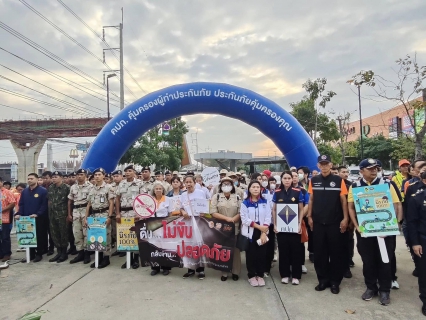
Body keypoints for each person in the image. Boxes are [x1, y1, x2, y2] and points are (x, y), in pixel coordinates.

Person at [347, 158, 401, 306]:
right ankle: (371, 288)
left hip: (385, 232)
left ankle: (385, 290)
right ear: (361, 171)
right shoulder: (355, 186)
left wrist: (394, 225)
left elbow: (396, 205)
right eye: (370, 168)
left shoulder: (387, 184)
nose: (374, 170)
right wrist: (357, 227)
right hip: (365, 231)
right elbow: (351, 207)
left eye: (376, 168)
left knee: (385, 261)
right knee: (368, 261)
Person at [307, 155, 349, 294]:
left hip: (335, 222)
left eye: (326, 164)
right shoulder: (314, 180)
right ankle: (323, 280)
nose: (324, 166)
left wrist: (345, 218)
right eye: (321, 164)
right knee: (320, 253)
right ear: (318, 166)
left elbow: (343, 200)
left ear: (331, 165)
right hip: (318, 222)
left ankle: (335, 282)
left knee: (336, 253)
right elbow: (311, 200)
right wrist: (310, 216)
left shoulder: (338, 180)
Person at [273, 171, 304, 285]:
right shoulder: (277, 192)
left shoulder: (298, 192)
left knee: (296, 251)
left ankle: (296, 275)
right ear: (281, 180)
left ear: (292, 179)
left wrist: (300, 223)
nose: (287, 180)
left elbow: (301, 209)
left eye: (289, 178)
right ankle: (284, 274)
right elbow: (274, 210)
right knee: (284, 251)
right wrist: (275, 224)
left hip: (294, 227)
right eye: (285, 178)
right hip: (281, 228)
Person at [240, 180, 271, 287]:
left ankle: (260, 275)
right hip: (250, 232)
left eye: (258, 187)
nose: (256, 189)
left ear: (260, 189)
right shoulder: (245, 203)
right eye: (253, 187)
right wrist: (259, 227)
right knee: (251, 255)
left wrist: (264, 232)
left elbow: (268, 217)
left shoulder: (265, 202)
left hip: (263, 232)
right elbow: (245, 220)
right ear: (249, 189)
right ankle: (252, 275)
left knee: (262, 254)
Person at [210, 176, 242, 281]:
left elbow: (241, 212)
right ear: (221, 186)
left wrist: (233, 219)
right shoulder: (217, 197)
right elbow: (213, 212)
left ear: (232, 186)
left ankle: (235, 271)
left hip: (235, 227)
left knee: (236, 250)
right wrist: (228, 219)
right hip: (221, 228)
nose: (226, 186)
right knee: (223, 249)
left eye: (228, 184)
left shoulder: (237, 197)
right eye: (224, 184)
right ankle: (224, 272)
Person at [115, 165, 145, 269]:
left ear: (134, 172)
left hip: (135, 213)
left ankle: (136, 258)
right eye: (126, 171)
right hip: (123, 213)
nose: (127, 173)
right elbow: (117, 199)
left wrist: (140, 213)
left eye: (129, 171)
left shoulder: (140, 183)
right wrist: (118, 213)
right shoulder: (121, 183)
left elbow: (143, 199)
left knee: (135, 236)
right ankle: (128, 258)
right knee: (125, 236)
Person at [180, 175, 209, 280]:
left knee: (199, 245)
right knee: (189, 246)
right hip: (188, 223)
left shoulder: (201, 193)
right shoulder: (183, 195)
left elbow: (206, 206)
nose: (188, 184)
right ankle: (190, 269)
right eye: (186, 182)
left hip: (199, 221)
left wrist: (203, 213)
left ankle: (201, 270)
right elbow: (181, 208)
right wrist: (183, 212)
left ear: (194, 183)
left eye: (190, 182)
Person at [84, 168, 114, 268]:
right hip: (94, 216)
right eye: (95, 175)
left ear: (103, 176)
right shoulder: (91, 188)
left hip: (104, 214)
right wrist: (86, 217)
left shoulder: (108, 187)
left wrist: (109, 216)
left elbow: (111, 203)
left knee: (106, 236)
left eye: (99, 174)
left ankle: (106, 258)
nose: (97, 176)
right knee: (96, 237)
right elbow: (88, 204)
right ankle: (99, 257)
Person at [15, 173, 48, 262]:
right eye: (28, 178)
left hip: (38, 217)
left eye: (31, 178)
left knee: (39, 236)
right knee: (28, 236)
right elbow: (21, 204)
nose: (29, 180)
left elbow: (44, 205)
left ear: (37, 179)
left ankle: (39, 254)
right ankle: (31, 254)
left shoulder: (43, 191)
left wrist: (38, 214)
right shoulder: (25, 191)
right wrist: (19, 213)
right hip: (27, 218)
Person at [406, 170, 426, 316]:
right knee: (424, 273)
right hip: (423, 239)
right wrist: (415, 243)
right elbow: (411, 222)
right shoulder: (417, 197)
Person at [404, 162, 426, 278]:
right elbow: (407, 207)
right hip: (414, 223)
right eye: (422, 169)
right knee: (415, 246)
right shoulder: (412, 187)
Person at [67, 169, 93, 264]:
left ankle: (87, 253)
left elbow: (91, 202)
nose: (79, 176)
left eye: (81, 174)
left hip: (86, 211)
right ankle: (80, 253)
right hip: (76, 211)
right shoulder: (73, 187)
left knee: (86, 233)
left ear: (85, 176)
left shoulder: (91, 186)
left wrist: (89, 214)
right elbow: (70, 201)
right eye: (78, 175)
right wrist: (69, 214)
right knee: (77, 233)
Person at [48, 171, 71, 263]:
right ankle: (59, 252)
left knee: (63, 233)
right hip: (53, 214)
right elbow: (49, 201)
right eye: (53, 177)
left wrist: (69, 214)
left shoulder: (67, 188)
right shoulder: (50, 187)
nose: (54, 178)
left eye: (56, 177)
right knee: (54, 233)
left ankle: (64, 253)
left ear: (61, 177)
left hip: (63, 214)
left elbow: (70, 202)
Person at [150, 182, 172, 276]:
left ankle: (166, 267)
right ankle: (155, 267)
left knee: (164, 247)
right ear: (153, 190)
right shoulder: (150, 200)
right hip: (152, 225)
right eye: (156, 189)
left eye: (160, 188)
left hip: (164, 225)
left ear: (163, 190)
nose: (158, 190)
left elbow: (170, 213)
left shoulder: (168, 199)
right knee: (153, 247)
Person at [338, 165, 355, 279]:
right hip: (336, 218)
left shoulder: (351, 185)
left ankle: (348, 264)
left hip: (349, 219)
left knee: (348, 241)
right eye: (343, 172)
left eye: (347, 172)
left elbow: (353, 205)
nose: (346, 174)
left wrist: (351, 221)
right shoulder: (335, 183)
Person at [291, 171, 309, 274]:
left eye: (295, 176)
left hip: (299, 220)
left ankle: (301, 264)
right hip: (286, 220)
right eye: (291, 176)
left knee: (300, 243)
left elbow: (307, 204)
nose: (293, 178)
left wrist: (300, 217)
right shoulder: (282, 190)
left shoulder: (303, 190)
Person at [0, 177, 16, 262]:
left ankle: (7, 253)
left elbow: (12, 203)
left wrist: (2, 210)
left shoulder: (7, 192)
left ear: (1, 182)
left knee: (5, 236)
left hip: (4, 218)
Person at [110, 170, 124, 257]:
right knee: (115, 231)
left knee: (124, 230)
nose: (115, 178)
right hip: (114, 211)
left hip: (124, 210)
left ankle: (124, 249)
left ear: (121, 176)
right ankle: (119, 248)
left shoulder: (124, 185)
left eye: (117, 176)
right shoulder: (110, 187)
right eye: (114, 176)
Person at [41, 171, 55, 256]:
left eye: (46, 178)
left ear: (50, 178)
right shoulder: (41, 188)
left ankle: (51, 248)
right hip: (43, 212)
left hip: (52, 212)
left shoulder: (53, 187)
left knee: (51, 232)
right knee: (43, 231)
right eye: (43, 178)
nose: (45, 180)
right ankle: (44, 248)